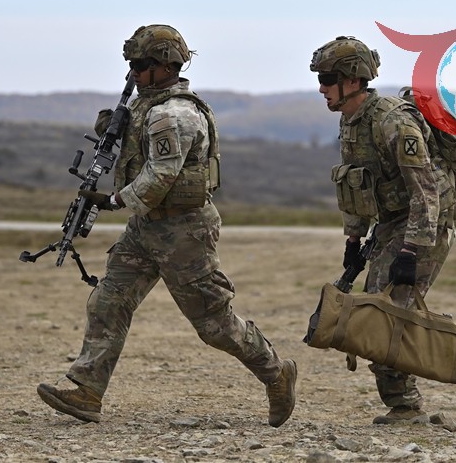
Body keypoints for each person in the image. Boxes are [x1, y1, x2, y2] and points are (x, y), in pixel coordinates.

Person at [37, 24, 297, 427]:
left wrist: (115, 200)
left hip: (183, 231)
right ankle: (87, 389)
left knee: (214, 324)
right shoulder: (146, 107)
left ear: (166, 66)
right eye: (131, 65)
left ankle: (276, 372)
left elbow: (162, 174)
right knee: (109, 300)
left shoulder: (173, 115)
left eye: (141, 65)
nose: (134, 72)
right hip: (145, 227)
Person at [309, 36, 456, 424]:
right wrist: (353, 237)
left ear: (353, 80)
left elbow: (426, 190)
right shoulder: (351, 120)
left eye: (327, 79)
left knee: (384, 313)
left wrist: (411, 250)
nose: (321, 88)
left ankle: (412, 399)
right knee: (381, 309)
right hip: (391, 223)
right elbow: (354, 183)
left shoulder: (393, 121)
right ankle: (403, 402)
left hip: (422, 223)